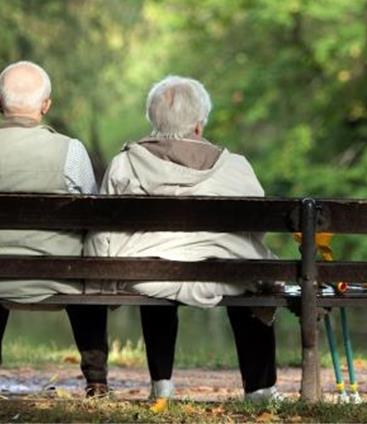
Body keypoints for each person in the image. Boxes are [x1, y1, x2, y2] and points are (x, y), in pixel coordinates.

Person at [86, 75, 281, 403]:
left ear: (153, 122)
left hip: (149, 274)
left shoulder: (125, 163)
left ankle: (161, 385)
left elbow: (104, 226)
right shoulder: (235, 167)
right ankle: (260, 389)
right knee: (251, 275)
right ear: (199, 125)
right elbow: (255, 228)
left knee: (156, 264)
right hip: (223, 274)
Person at [0, 60, 109, 399]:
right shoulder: (71, 151)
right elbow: (92, 221)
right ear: (46, 106)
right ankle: (96, 379)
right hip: (61, 276)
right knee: (86, 264)